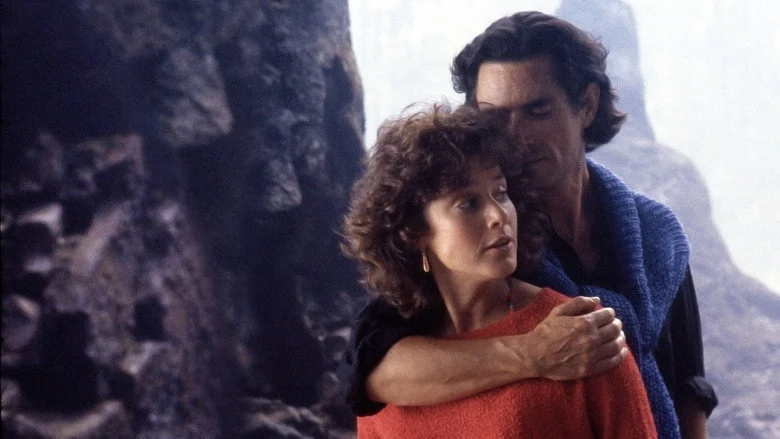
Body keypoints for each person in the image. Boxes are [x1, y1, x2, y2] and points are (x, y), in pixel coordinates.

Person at [344, 11, 717, 439]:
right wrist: (533, 353)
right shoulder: (482, 250)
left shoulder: (656, 233)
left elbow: (689, 386)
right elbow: (368, 370)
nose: (515, 135)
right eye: (494, 116)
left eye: (536, 111)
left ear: (586, 105)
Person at [342, 103, 657, 438]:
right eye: (469, 203)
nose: (499, 215)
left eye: (501, 193)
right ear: (414, 231)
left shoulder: (582, 336)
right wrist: (533, 353)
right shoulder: (384, 358)